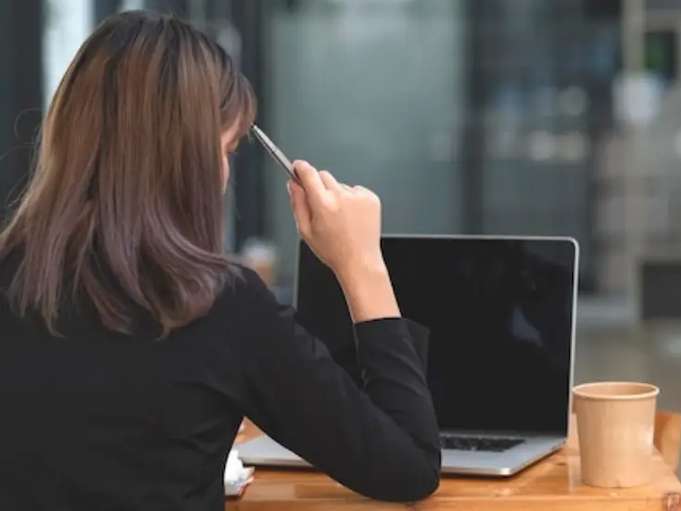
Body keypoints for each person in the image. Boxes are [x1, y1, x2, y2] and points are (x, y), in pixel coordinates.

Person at [0, 10, 440, 510]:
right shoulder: (218, 306)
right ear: (185, 157)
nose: (225, 175)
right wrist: (361, 264)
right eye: (226, 150)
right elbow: (409, 466)